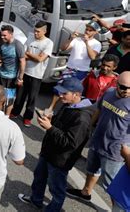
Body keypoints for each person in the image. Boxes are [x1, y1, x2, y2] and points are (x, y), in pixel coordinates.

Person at [18, 77, 95, 211]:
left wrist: (49, 128)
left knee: (57, 190)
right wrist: (50, 120)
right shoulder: (69, 105)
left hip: (60, 160)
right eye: (60, 92)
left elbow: (70, 143)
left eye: (64, 93)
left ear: (76, 95)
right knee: (39, 178)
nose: (60, 96)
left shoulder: (82, 118)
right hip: (49, 153)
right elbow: (62, 127)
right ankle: (36, 200)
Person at [66, 72, 130, 205]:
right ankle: (85, 192)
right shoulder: (109, 92)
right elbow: (98, 110)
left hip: (115, 151)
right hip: (97, 141)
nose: (127, 91)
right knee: (92, 169)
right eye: (124, 87)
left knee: (112, 184)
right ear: (116, 83)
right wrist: (88, 128)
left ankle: (117, 208)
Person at [48, 21, 102, 110]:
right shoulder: (77, 40)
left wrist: (87, 43)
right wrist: (71, 38)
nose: (87, 32)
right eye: (86, 29)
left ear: (95, 32)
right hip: (69, 68)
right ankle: (51, 108)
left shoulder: (97, 44)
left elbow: (92, 56)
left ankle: (67, 109)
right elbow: (63, 48)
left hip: (82, 71)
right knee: (60, 88)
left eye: (90, 30)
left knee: (73, 93)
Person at [10, 21, 53, 127]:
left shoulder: (48, 43)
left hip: (36, 75)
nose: (35, 33)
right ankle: (15, 112)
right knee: (19, 95)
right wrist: (33, 56)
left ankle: (27, 118)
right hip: (25, 72)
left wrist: (30, 54)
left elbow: (40, 59)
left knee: (31, 98)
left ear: (45, 31)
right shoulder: (30, 38)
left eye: (38, 32)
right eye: (35, 31)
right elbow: (23, 54)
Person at [0, 25, 25, 115]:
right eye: (1, 35)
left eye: (4, 35)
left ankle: (6, 117)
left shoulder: (18, 45)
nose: (2, 37)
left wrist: (20, 78)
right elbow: (0, 56)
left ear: (11, 34)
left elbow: (22, 62)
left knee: (9, 100)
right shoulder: (2, 43)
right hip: (0, 75)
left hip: (11, 77)